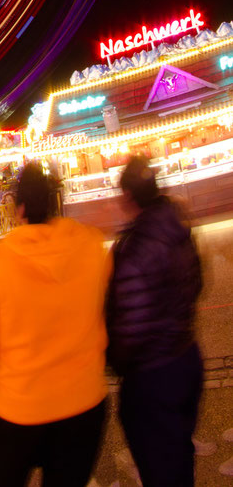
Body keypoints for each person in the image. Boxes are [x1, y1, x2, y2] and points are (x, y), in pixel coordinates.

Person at [0, 162, 109, 487]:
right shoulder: (92, 247)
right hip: (85, 405)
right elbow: (107, 311)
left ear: (19, 207)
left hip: (20, 411)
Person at [106, 155, 203, 487]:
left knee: (158, 464)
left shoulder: (135, 246)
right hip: (187, 356)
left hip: (152, 373)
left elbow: (129, 321)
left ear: (129, 197)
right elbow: (197, 283)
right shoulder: (177, 225)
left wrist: (117, 362)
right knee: (178, 452)